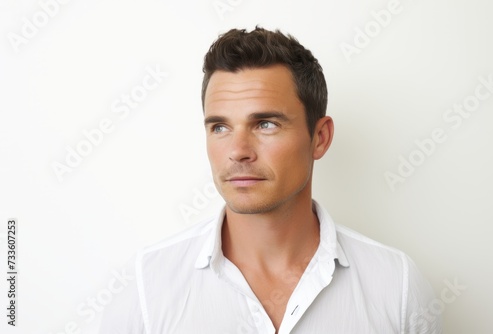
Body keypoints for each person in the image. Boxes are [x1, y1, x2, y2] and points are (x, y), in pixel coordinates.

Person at [99, 27, 442, 334]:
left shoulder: (397, 285)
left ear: (319, 138)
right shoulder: (148, 284)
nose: (237, 151)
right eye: (220, 127)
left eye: (265, 124)